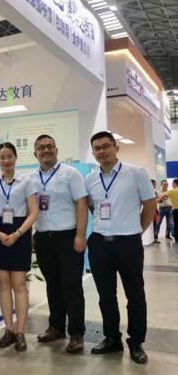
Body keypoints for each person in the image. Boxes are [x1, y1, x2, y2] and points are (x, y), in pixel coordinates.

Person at [85, 131, 156, 364]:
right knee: (106, 296)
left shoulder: (136, 173)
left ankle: (136, 341)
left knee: (135, 294)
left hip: (128, 244)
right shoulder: (90, 179)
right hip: (99, 244)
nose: (102, 151)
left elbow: (149, 205)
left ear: (116, 147)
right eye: (97, 148)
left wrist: (136, 230)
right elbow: (94, 208)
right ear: (93, 152)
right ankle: (112, 338)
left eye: (106, 146)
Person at [30, 135, 88, 353]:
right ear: (35, 153)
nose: (46, 150)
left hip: (68, 237)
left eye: (49, 147)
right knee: (52, 285)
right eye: (41, 148)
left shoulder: (71, 174)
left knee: (71, 286)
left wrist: (80, 234)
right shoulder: (31, 178)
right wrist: (31, 235)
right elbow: (29, 209)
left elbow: (81, 203)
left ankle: (76, 333)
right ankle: (56, 327)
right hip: (43, 238)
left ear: (56, 150)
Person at [0, 142, 39, 352]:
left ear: (16, 158)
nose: (6, 160)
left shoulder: (26, 181)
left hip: (20, 232)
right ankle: (8, 329)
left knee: (19, 285)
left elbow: (34, 212)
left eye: (9, 156)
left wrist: (18, 234)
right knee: (3, 285)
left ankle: (20, 332)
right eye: (2, 157)